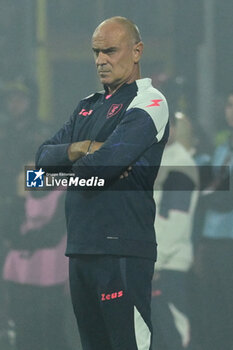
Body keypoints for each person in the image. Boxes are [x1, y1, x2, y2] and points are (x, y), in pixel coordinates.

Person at [36, 16, 169, 350]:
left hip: (122, 248)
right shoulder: (87, 106)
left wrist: (74, 166)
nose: (100, 60)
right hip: (82, 248)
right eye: (96, 52)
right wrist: (83, 150)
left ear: (137, 51)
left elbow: (106, 164)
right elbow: (38, 169)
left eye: (109, 50)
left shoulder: (150, 101)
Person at [2, 168, 71, 350]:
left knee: (51, 332)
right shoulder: (20, 191)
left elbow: (53, 234)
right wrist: (20, 197)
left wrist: (17, 242)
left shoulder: (67, 190)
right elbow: (8, 229)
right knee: (24, 333)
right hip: (19, 274)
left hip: (50, 276)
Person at [193, 91, 233, 350]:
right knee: (214, 309)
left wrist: (207, 196)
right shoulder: (222, 148)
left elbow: (223, 198)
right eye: (229, 105)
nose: (231, 111)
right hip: (213, 240)